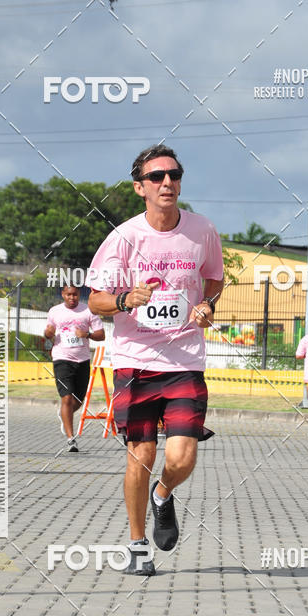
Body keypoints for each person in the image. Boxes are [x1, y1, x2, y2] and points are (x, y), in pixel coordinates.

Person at [86, 144, 224, 576]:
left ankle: (163, 495)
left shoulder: (202, 230)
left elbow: (215, 280)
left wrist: (208, 307)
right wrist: (126, 298)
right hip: (136, 360)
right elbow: (95, 300)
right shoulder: (123, 238)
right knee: (140, 455)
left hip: (184, 358)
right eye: (158, 176)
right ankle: (136, 545)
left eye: (174, 174)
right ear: (139, 187)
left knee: (182, 458)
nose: (168, 182)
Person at [44, 283, 106, 451]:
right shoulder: (55, 311)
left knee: (78, 400)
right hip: (62, 359)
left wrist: (87, 334)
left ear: (79, 295)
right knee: (66, 398)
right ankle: (71, 439)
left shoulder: (88, 310)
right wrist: (48, 333)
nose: (72, 298)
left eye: (75, 295)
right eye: (68, 294)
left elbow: (101, 335)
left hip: (83, 360)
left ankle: (65, 416)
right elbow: (48, 333)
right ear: (63, 294)